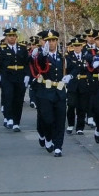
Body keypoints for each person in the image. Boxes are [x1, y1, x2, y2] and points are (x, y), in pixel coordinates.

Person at [30, 29, 70, 157]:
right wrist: (43, 53)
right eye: (48, 41)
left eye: (53, 40)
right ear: (44, 42)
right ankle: (47, 138)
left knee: (60, 120)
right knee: (47, 120)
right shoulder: (40, 55)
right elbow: (39, 65)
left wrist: (71, 76)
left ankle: (58, 146)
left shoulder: (62, 56)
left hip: (59, 92)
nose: (51, 43)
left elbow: (74, 68)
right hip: (45, 92)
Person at [0, 26, 29, 131]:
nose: (11, 38)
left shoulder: (22, 48)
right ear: (6, 37)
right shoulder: (2, 49)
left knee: (18, 100)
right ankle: (9, 118)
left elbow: (27, 63)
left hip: (20, 76)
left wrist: (27, 75)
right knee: (8, 96)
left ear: (16, 37)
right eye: (9, 36)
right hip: (7, 76)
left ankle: (16, 122)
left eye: (13, 36)